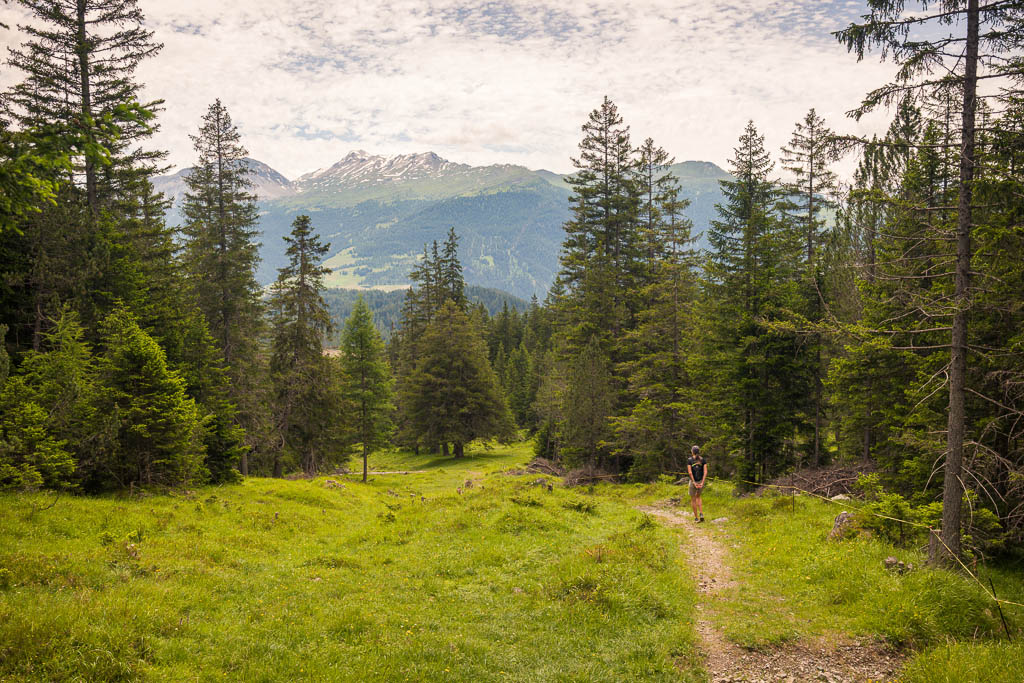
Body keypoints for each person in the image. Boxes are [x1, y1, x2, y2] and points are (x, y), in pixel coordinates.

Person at [687, 444, 707, 522]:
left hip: (693, 482)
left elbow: (690, 472)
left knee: (693, 499)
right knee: (698, 497)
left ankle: (696, 518)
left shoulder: (690, 460)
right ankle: (701, 513)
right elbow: (705, 472)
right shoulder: (703, 460)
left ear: (692, 452)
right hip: (700, 481)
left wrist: (694, 482)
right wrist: (702, 482)